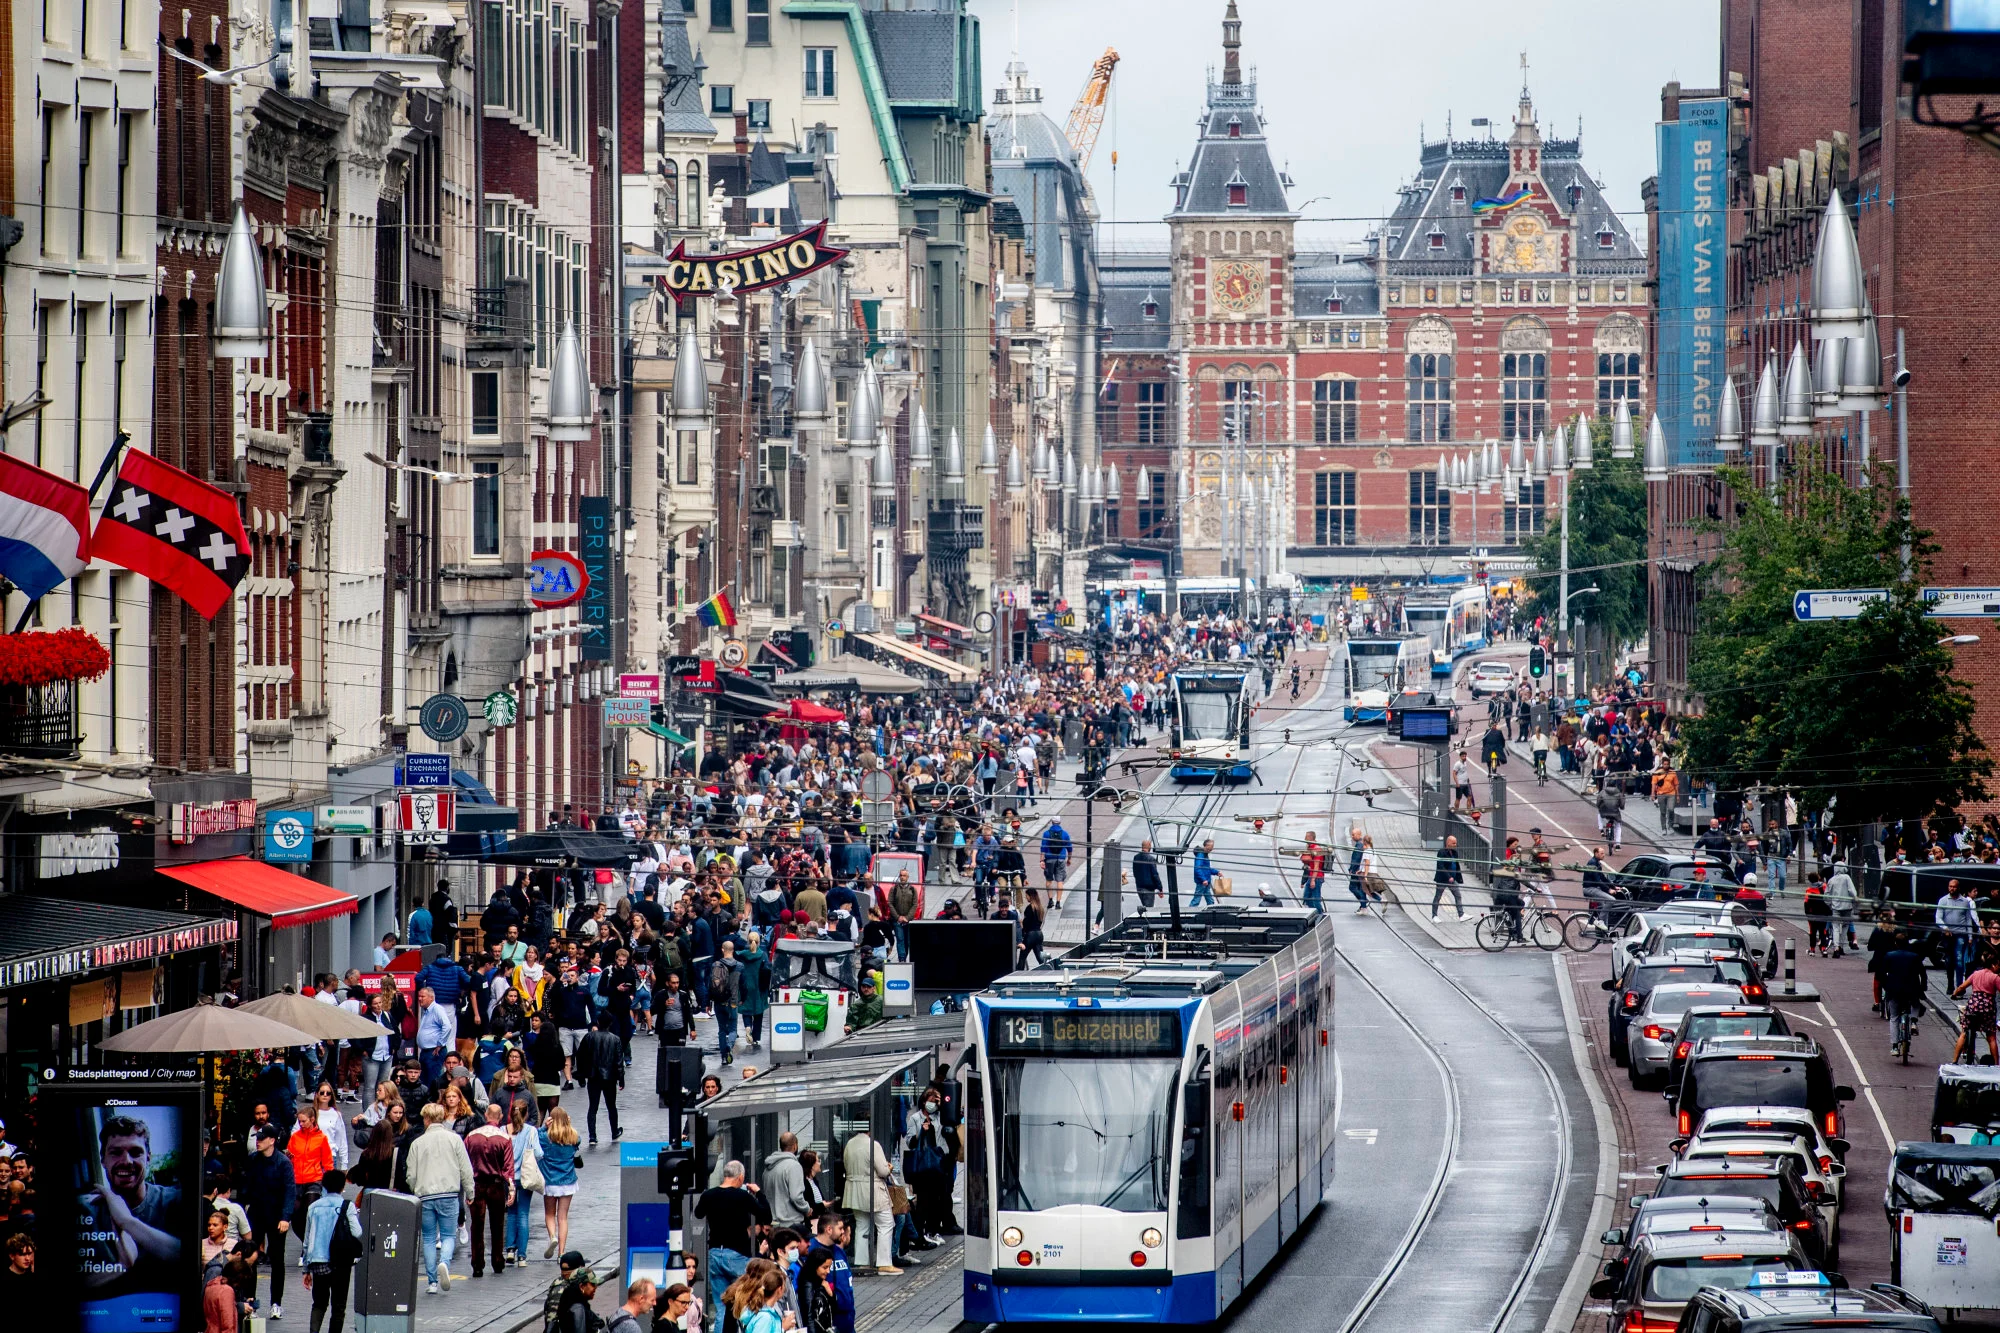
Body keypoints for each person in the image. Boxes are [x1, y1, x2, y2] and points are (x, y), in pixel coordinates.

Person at [77, 1113, 184, 1292]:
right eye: (116, 1153)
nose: (126, 1161)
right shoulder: (84, 1211)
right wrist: (121, 1266)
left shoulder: (175, 1201)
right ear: (103, 1159)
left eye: (135, 1152)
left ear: (148, 1156)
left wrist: (127, 1221)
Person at [405, 1102, 475, 1295]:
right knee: (448, 1236)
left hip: (425, 1195)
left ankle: (432, 1281)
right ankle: (444, 1261)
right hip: (449, 1194)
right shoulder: (454, 1140)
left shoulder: (417, 1143)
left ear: (426, 1119)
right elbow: (465, 1169)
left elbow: (410, 1174)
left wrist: (416, 1188)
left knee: (428, 1238)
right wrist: (470, 1193)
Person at [693, 1160, 770, 1316]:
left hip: (715, 1253)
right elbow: (766, 1215)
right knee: (743, 1302)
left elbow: (698, 1213)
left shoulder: (709, 1195)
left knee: (721, 1308)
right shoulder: (742, 1196)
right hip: (737, 1253)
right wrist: (759, 1193)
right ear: (740, 1178)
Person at [300, 1169, 362, 1333]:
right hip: (341, 1261)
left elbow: (307, 1240)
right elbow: (357, 1232)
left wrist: (306, 1269)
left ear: (324, 1186)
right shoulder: (347, 1206)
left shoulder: (313, 1207)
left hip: (318, 1261)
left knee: (319, 1303)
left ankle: (314, 1331)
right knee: (339, 1305)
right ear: (342, 1187)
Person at [242, 1127, 296, 1317]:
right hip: (256, 1214)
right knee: (251, 1258)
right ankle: (250, 1302)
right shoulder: (253, 1160)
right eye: (258, 1138)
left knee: (277, 1260)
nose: (259, 1141)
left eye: (263, 1138)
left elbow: (290, 1191)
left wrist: (285, 1217)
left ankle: (276, 1303)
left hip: (275, 1216)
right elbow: (245, 1186)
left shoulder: (283, 1163)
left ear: (272, 1140)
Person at [841, 1129, 898, 1276]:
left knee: (861, 1226)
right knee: (885, 1224)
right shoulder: (873, 1145)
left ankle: (862, 1262)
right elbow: (883, 1171)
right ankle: (884, 1263)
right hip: (873, 1190)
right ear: (869, 1129)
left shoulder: (849, 1144)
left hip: (854, 1190)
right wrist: (889, 1168)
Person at [537, 1107, 581, 1258]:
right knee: (563, 1217)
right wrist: (568, 1125)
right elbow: (578, 1141)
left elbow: (534, 1136)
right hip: (568, 1181)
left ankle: (552, 1237)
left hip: (550, 1181)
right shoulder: (573, 1136)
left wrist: (543, 1127)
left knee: (550, 1214)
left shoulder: (545, 1138)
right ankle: (561, 1252)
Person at [576, 1018, 626, 1146]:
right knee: (611, 1106)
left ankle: (592, 1136)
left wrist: (581, 1074)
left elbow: (580, 1056)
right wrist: (621, 1079)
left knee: (593, 1107)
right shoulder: (615, 1039)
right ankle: (614, 1131)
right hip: (609, 1077)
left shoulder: (589, 1037)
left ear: (598, 1023)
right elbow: (619, 1061)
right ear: (610, 1023)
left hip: (593, 1076)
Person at [1951, 958, 2000, 1065]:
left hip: (1973, 1005)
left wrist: (1954, 994)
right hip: (1988, 1008)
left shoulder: (1976, 974)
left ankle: (1954, 1061)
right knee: (1991, 1036)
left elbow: (1962, 986)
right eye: (1998, 965)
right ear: (1992, 965)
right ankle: (1997, 1064)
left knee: (1964, 1032)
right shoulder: (1995, 977)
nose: (1999, 968)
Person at [761, 1133, 808, 1231]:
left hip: (772, 1225)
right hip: (790, 1225)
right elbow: (796, 1197)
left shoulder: (768, 1168)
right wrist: (807, 1209)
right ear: (795, 1146)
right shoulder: (794, 1166)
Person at [1938, 879, 1980, 989]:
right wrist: (1945, 928)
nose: (1952, 888)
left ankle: (1960, 986)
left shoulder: (1965, 902)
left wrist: (1970, 936)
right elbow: (1938, 917)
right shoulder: (1943, 900)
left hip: (1961, 934)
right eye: (1950, 886)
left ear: (1958, 888)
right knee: (1948, 961)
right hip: (1948, 935)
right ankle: (1950, 985)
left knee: (1959, 960)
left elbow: (1968, 920)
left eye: (1954, 887)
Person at [1824, 864, 1859, 956]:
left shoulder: (1831, 880)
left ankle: (1836, 948)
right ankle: (1841, 947)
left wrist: (1830, 904)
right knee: (1845, 926)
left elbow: (1826, 895)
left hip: (1835, 906)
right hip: (1847, 906)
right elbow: (1852, 891)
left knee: (1835, 927)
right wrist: (1854, 900)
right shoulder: (1847, 878)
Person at [1431, 835, 1464, 922]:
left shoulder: (1454, 853)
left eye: (1456, 843)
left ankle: (1461, 915)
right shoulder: (1442, 852)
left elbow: (1456, 865)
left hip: (1453, 879)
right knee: (1438, 896)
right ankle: (1434, 916)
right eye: (1453, 843)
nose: (1455, 845)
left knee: (1458, 895)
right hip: (1442, 879)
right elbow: (1440, 866)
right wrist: (1448, 877)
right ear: (1448, 843)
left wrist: (1458, 877)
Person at [1131, 840, 1162, 914]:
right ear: (1149, 847)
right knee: (1149, 909)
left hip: (1139, 887)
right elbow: (1155, 874)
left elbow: (1135, 872)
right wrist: (1160, 887)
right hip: (1148, 888)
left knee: (1145, 906)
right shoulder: (1150, 859)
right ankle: (1146, 923)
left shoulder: (1136, 857)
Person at [1298, 832, 1327, 910]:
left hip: (1316, 877)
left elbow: (1316, 866)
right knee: (1307, 898)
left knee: (1315, 899)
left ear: (1311, 838)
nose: (1305, 839)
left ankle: (1320, 914)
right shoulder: (1310, 848)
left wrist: (1313, 880)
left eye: (1306, 837)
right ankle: (1314, 912)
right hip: (1311, 876)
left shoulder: (1316, 849)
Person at [1594, 780, 1625, 850]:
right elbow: (1622, 806)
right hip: (1615, 813)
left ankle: (1601, 829)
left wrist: (1600, 806)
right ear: (1615, 785)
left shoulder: (1602, 792)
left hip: (1604, 812)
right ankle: (1618, 844)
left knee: (1599, 814)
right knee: (1618, 826)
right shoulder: (1619, 793)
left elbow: (1598, 803)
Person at [1190, 839, 1218, 908]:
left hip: (1206, 881)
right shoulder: (1201, 854)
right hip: (1202, 882)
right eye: (1211, 846)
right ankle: (1189, 912)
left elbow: (1206, 868)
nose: (1212, 848)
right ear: (1206, 846)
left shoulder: (1205, 854)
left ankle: (1212, 911)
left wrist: (1216, 872)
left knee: (1209, 899)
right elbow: (1197, 868)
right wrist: (1203, 879)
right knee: (1197, 899)